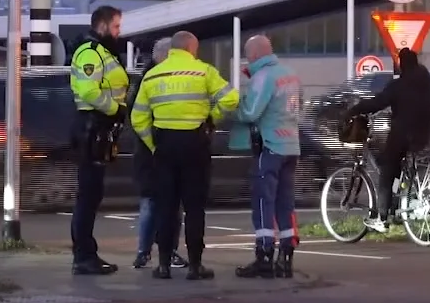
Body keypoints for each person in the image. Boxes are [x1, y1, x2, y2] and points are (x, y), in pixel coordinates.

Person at [129, 31, 237, 281]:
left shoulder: (153, 75)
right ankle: (195, 266)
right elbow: (231, 99)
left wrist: (152, 143)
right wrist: (212, 118)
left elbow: (138, 117)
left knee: (166, 207)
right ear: (192, 49)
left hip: (164, 146)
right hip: (195, 144)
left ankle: (164, 265)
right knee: (195, 208)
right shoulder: (203, 71)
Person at [345, 47, 430, 233]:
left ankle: (381, 218)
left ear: (401, 64)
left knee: (387, 170)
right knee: (399, 168)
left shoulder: (399, 85)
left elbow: (377, 102)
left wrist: (355, 110)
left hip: (401, 137)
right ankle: (397, 204)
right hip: (421, 138)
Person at [230, 34, 303, 278]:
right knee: (286, 202)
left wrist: (233, 107)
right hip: (291, 145)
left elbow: (250, 112)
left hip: (270, 145)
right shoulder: (290, 73)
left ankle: (264, 257)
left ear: (253, 55)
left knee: (264, 202)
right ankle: (286, 259)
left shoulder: (264, 76)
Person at [69, 4, 129, 276]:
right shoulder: (90, 53)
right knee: (88, 194)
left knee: (93, 194)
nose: (119, 32)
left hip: (100, 128)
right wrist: (115, 108)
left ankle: (86, 253)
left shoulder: (103, 52)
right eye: (116, 26)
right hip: (92, 127)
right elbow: (90, 91)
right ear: (102, 25)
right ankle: (83, 255)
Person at [131, 37, 185, 271]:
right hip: (163, 149)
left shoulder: (145, 78)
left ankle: (144, 253)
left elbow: (136, 116)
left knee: (151, 202)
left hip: (147, 150)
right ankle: (168, 251)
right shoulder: (163, 78)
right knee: (170, 204)